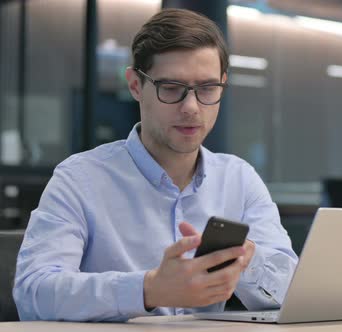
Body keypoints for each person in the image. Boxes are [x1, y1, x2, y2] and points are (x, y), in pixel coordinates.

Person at [13, 8, 298, 322]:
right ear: (136, 85)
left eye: (207, 89)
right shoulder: (80, 179)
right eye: (171, 88)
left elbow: (294, 293)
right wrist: (148, 289)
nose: (191, 108)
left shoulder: (239, 179)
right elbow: (33, 293)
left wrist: (247, 261)